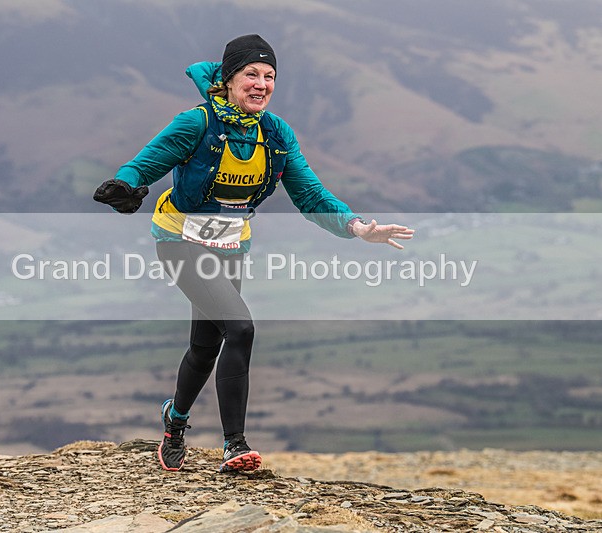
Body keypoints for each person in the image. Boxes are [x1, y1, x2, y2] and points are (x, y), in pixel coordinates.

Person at [94, 34, 414, 473]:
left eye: (270, 76)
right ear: (228, 80)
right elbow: (148, 161)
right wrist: (125, 186)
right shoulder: (197, 123)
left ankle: (175, 420)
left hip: (230, 246)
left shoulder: (276, 133)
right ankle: (235, 445)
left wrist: (357, 227)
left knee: (205, 347)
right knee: (240, 328)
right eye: (251, 74)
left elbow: (310, 193)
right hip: (180, 241)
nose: (261, 84)